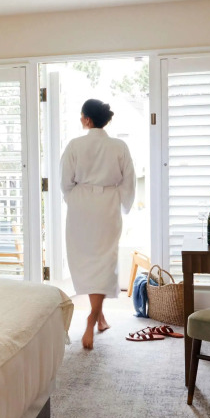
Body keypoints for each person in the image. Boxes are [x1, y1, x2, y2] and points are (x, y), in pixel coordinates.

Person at [60, 98, 136, 350]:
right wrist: (121, 202)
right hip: (107, 206)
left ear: (88, 119)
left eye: (81, 116)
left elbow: (65, 181)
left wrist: (74, 198)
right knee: (105, 260)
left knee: (85, 259)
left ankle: (92, 317)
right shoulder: (119, 146)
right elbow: (129, 181)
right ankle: (99, 316)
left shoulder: (75, 145)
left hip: (81, 207)